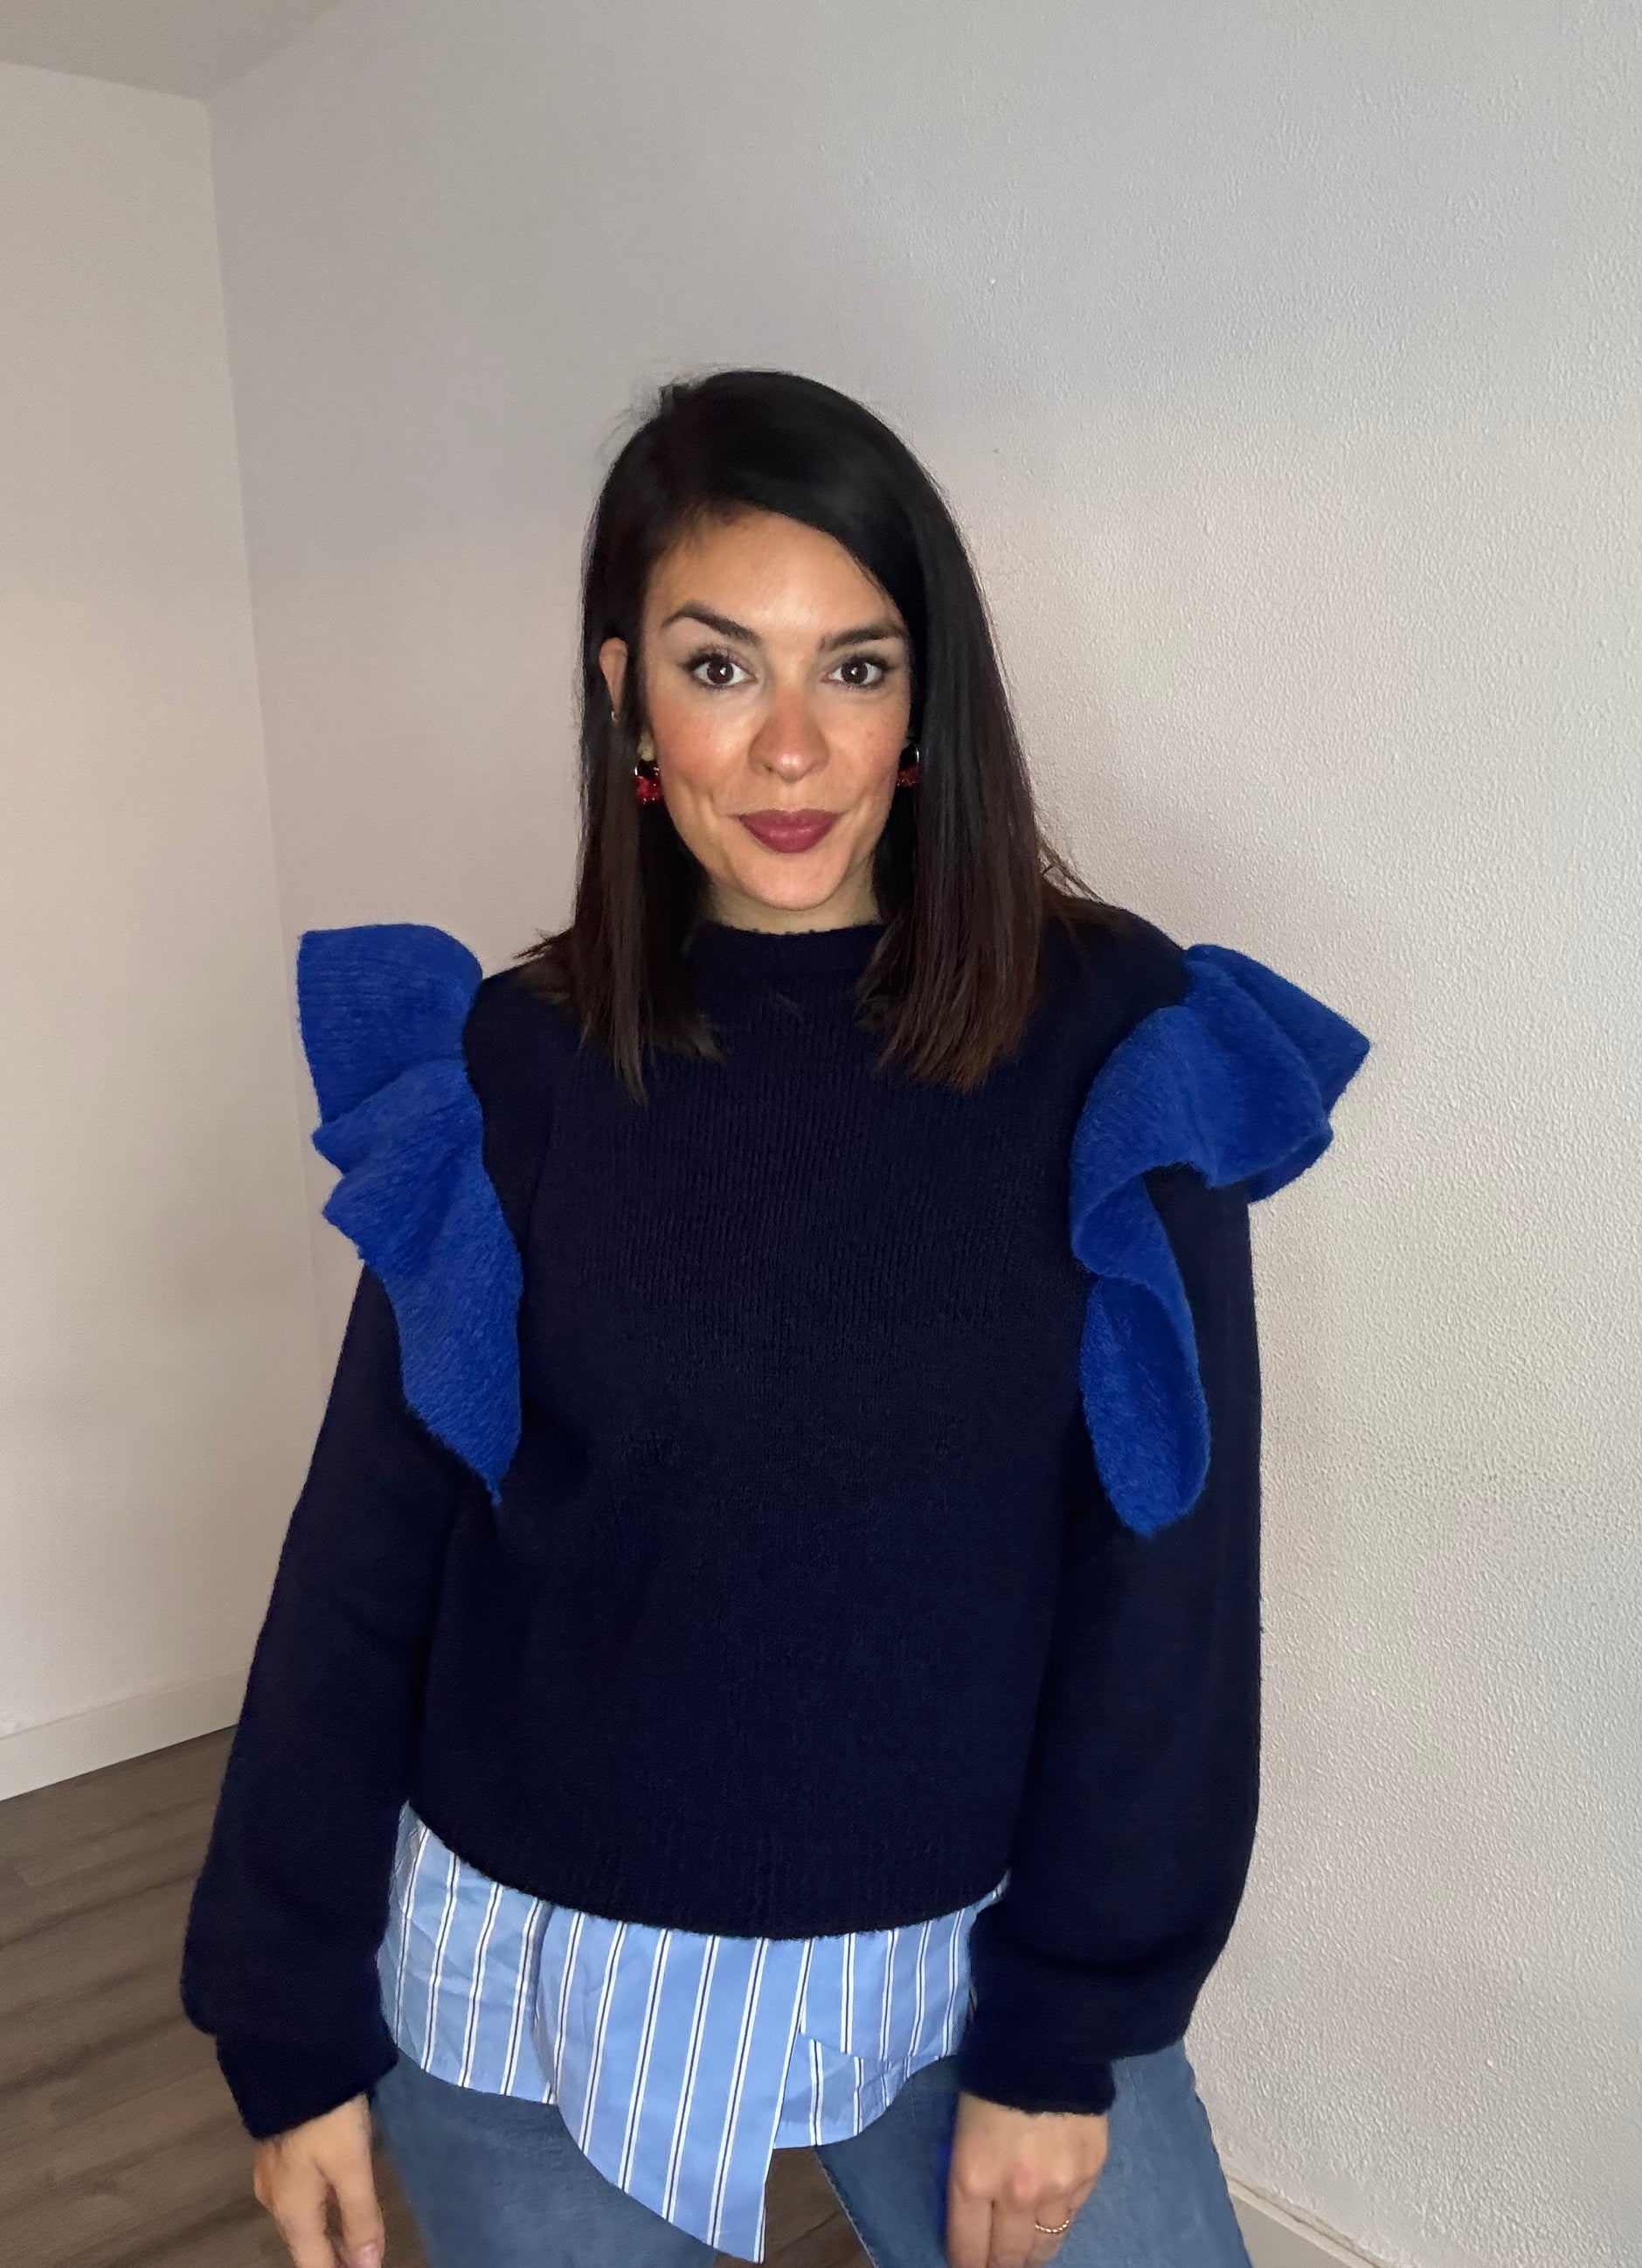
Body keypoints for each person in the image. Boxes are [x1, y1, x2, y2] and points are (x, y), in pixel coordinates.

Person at [179, 367, 1371, 2268]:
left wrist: (1065, 2034)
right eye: (721, 667)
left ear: (928, 702)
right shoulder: (514, 1065)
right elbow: (366, 1558)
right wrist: (287, 2012)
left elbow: (1161, 1572)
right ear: (626, 696)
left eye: (856, 667)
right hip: (530, 1966)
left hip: (966, 1963)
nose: (792, 748)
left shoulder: (1113, 1039)